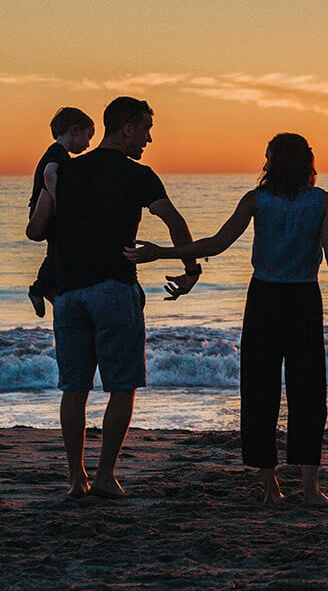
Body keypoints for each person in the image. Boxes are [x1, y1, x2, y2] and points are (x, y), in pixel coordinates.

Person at [126, 133, 328, 505]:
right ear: (307, 162)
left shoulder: (259, 200)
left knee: (260, 391)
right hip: (302, 298)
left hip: (267, 299)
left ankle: (271, 486)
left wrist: (165, 252)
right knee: (308, 393)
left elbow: (217, 243)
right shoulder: (320, 201)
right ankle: (309, 489)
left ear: (272, 161)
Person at [25, 96, 200, 499]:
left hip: (68, 293)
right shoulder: (138, 175)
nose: (148, 140)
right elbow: (174, 221)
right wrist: (191, 271)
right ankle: (104, 475)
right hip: (114, 289)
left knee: (75, 389)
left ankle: (76, 479)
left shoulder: (64, 171)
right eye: (145, 131)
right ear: (126, 129)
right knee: (121, 386)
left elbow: (36, 231)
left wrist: (51, 191)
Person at [27, 106, 96, 316]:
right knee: (58, 251)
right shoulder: (58, 153)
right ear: (74, 131)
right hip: (47, 212)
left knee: (57, 251)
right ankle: (40, 288)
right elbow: (50, 174)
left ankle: (46, 288)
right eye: (87, 136)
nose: (88, 143)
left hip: (47, 211)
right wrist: (62, 201)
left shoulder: (56, 152)